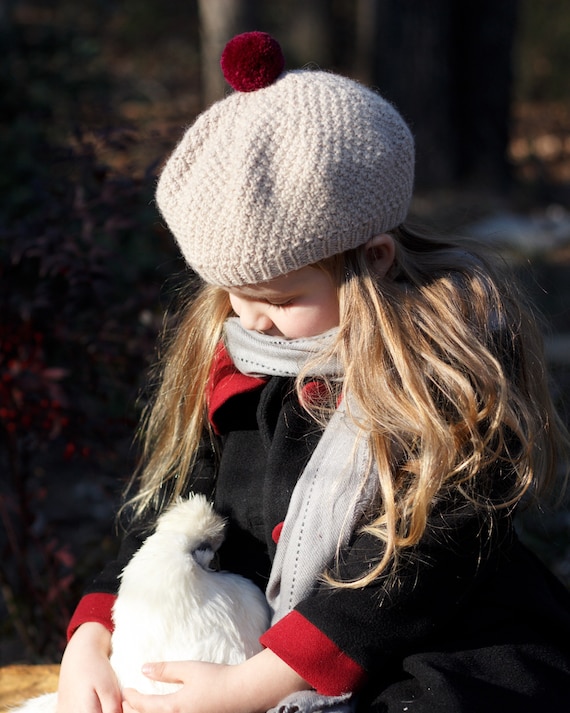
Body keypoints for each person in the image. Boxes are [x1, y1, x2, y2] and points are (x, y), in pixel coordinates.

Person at [55, 31, 570, 713]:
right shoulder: (243, 360)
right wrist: (94, 632)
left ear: (376, 260)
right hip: (273, 648)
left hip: (437, 647)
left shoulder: (444, 377)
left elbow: (418, 564)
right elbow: (180, 505)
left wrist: (255, 683)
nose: (253, 320)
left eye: (280, 298)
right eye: (236, 293)